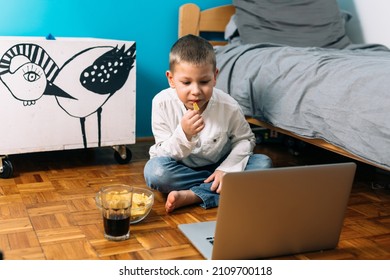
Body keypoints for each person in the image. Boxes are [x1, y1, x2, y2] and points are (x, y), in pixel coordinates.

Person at [143, 34, 272, 213]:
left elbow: (245, 140)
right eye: (186, 82)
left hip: (222, 164)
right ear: (171, 79)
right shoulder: (162, 103)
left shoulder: (228, 106)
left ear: (214, 77)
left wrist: (227, 169)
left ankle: (193, 195)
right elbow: (162, 152)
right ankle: (218, 188)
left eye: (204, 82)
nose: (195, 91)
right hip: (183, 169)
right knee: (155, 172)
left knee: (263, 164)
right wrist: (184, 134)